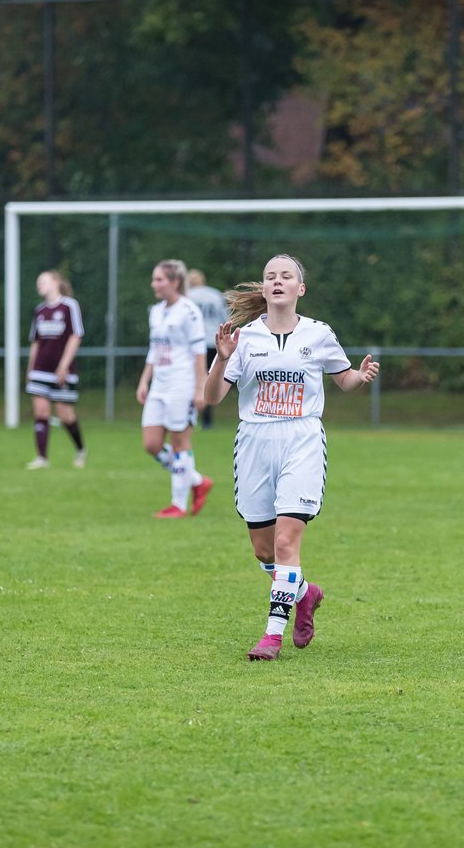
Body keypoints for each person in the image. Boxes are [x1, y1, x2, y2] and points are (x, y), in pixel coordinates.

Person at [203, 254, 379, 661]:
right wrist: (224, 358)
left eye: (286, 276)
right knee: (264, 550)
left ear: (300, 289)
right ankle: (305, 592)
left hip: (301, 439)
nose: (277, 281)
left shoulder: (318, 334)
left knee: (286, 542)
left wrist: (361, 377)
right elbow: (210, 398)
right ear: (263, 290)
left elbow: (345, 379)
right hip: (254, 442)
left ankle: (271, 636)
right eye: (270, 277)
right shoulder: (242, 338)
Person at [136, 259, 213, 518]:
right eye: (154, 279)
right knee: (151, 444)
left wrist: (200, 387)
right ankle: (196, 481)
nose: (154, 284)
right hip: (159, 384)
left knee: (180, 443)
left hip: (182, 383)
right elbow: (154, 349)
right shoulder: (155, 311)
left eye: (159, 279)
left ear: (174, 282)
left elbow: (199, 351)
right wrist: (144, 380)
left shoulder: (189, 311)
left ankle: (178, 505)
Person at [25, 270, 87, 469]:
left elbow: (76, 336)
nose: (39, 285)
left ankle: (80, 449)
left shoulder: (70, 306)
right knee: (41, 411)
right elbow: (35, 342)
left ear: (56, 282)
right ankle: (42, 457)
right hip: (40, 369)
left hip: (62, 370)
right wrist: (30, 368)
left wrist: (63, 365)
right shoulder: (40, 310)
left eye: (42, 281)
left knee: (65, 415)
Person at [186, 267, 228, 429]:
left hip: (195, 343)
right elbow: (225, 318)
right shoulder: (215, 294)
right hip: (214, 342)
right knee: (210, 379)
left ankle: (191, 415)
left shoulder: (187, 296)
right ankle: (207, 420)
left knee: (195, 378)